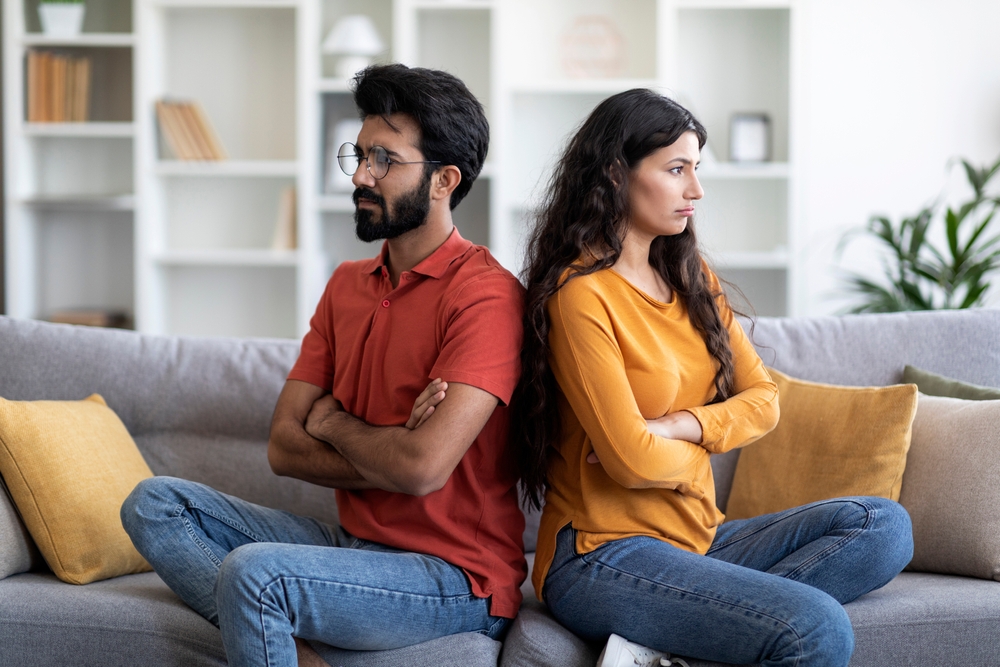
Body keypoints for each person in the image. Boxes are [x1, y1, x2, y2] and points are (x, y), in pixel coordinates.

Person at [121, 64, 526, 667]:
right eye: (358, 156)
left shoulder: (487, 296)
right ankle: (290, 646)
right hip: (353, 548)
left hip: (455, 578)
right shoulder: (345, 285)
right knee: (153, 504)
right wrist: (391, 450)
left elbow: (420, 470)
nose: (361, 176)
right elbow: (284, 448)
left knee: (257, 575)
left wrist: (335, 424)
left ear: (443, 180)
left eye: (384, 160)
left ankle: (266, 623)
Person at [509, 89, 914, 667]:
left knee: (882, 524)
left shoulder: (690, 273)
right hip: (603, 554)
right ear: (615, 174)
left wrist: (678, 427)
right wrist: (686, 447)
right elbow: (629, 461)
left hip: (698, 538)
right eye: (676, 170)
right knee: (814, 627)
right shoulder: (582, 295)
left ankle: (691, 636)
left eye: (696, 169)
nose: (695, 190)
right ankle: (715, 626)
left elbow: (765, 399)